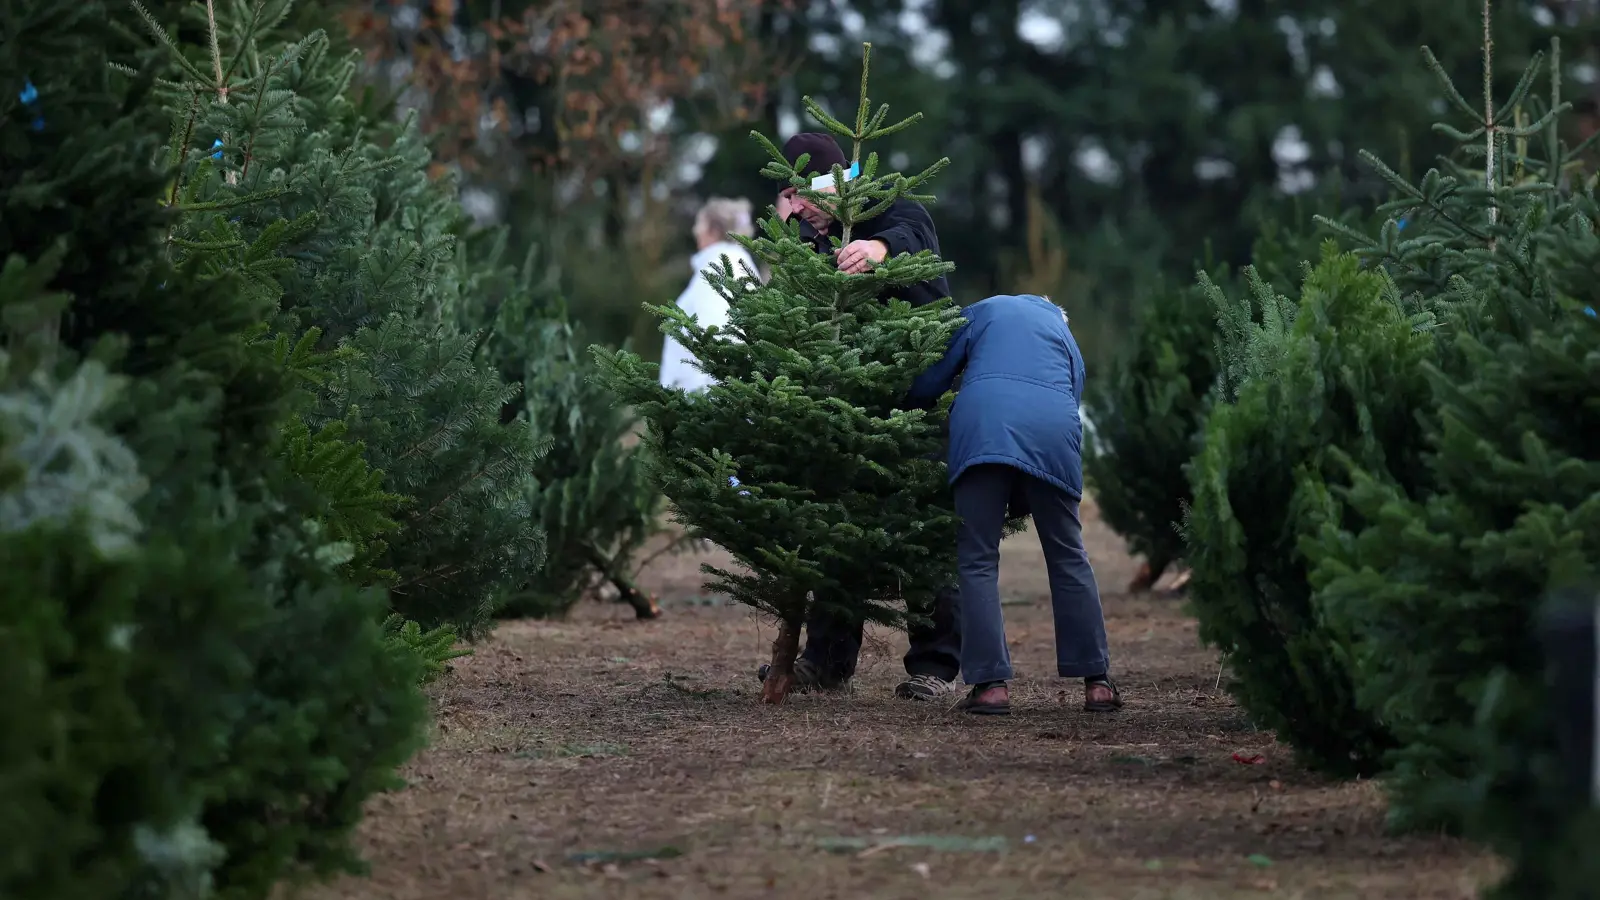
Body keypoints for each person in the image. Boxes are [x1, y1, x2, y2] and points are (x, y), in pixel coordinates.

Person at [755, 132, 961, 701]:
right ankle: (825, 661)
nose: (795, 206)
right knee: (834, 530)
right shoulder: (807, 237)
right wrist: (785, 230)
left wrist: (878, 251)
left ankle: (934, 669)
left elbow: (913, 235)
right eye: (786, 197)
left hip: (918, 407)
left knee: (923, 534)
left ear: (835, 183)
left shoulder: (895, 208)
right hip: (843, 412)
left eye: (801, 194)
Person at [904, 293, 1120, 715]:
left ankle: (990, 686)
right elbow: (1074, 388)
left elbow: (933, 378)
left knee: (977, 557)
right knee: (1068, 555)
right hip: (1054, 428)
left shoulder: (982, 312)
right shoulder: (1062, 330)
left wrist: (902, 408)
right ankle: (1098, 683)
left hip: (983, 424)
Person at [659, 197, 758, 393]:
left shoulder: (716, 269)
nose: (696, 231)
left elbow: (712, 335)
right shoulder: (741, 265)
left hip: (701, 399)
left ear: (713, 230)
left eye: (699, 224)